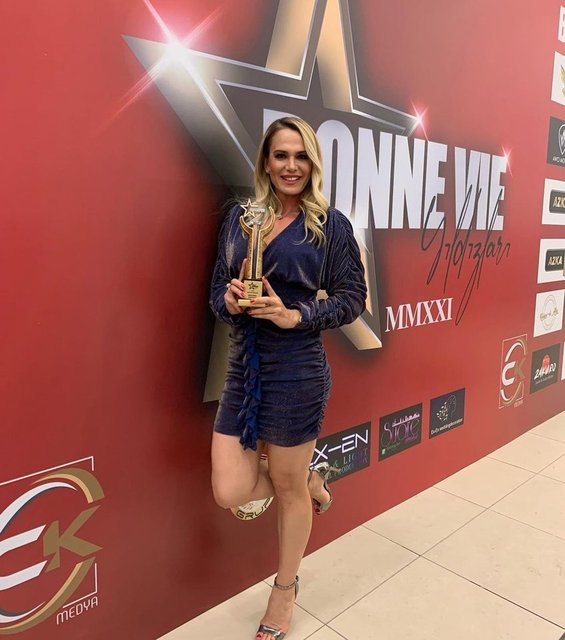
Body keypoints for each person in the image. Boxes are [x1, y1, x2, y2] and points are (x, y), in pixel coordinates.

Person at [209, 116, 367, 640]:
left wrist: (295, 315)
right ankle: (310, 480)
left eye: (301, 156)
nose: (291, 166)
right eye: (281, 155)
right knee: (230, 489)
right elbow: (216, 289)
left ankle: (284, 589)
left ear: (313, 163)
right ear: (266, 161)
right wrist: (231, 300)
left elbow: (352, 299)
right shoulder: (240, 219)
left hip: (297, 368)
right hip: (244, 367)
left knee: (285, 486)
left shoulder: (330, 225)